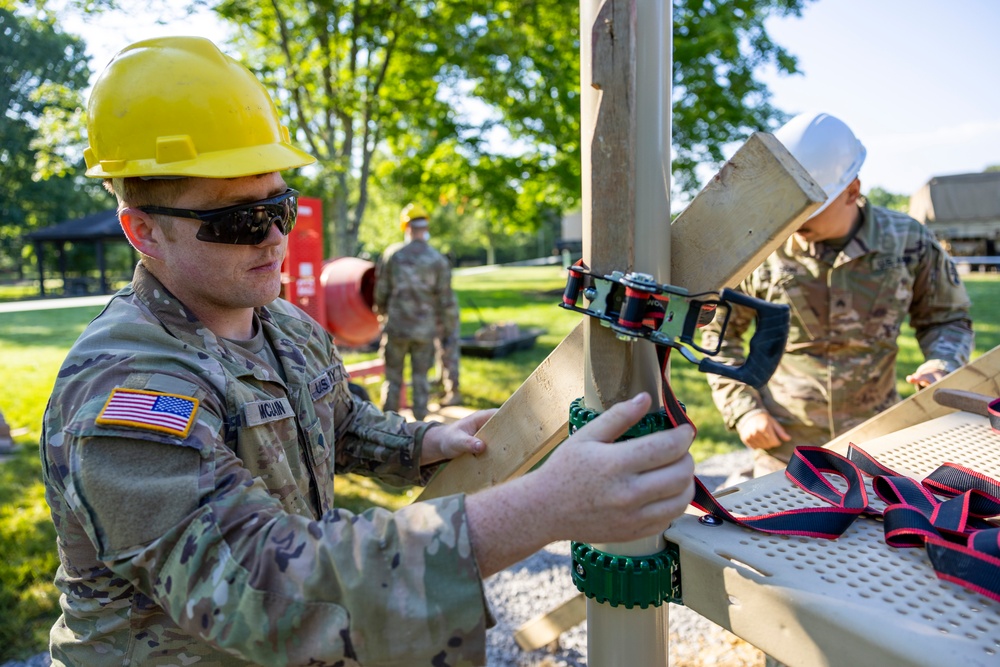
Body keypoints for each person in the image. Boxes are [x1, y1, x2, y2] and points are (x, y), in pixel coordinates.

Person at [40, 36, 696, 666]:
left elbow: (341, 421)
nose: (272, 236)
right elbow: (263, 589)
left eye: (281, 205)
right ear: (144, 230)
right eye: (237, 220)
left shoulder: (284, 325)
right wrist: (544, 507)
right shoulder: (122, 390)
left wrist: (419, 444)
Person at [701, 111, 974, 478]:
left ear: (852, 191)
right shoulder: (761, 247)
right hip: (784, 453)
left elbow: (947, 318)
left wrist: (943, 362)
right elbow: (721, 336)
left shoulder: (909, 241)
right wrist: (744, 409)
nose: (795, 218)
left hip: (878, 448)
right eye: (789, 201)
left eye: (810, 203)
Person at [374, 203, 458, 419]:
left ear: (406, 227)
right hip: (424, 330)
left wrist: (381, 313)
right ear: (425, 227)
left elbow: (381, 290)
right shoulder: (437, 259)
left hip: (397, 328)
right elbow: (445, 300)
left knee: (393, 377)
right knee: (421, 377)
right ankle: (420, 422)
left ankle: (389, 423)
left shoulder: (393, 254)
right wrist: (447, 329)